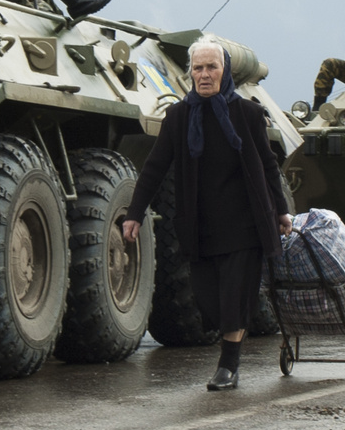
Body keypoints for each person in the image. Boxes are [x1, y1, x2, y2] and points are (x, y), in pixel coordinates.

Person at [121, 37, 292, 391]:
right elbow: (154, 167)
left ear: (224, 70)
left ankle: (228, 366)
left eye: (211, 67)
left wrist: (281, 211)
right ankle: (228, 344)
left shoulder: (247, 114)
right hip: (200, 223)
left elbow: (267, 164)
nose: (204, 75)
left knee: (233, 297)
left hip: (245, 222)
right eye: (198, 68)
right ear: (190, 73)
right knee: (207, 299)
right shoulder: (179, 117)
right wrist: (134, 213)